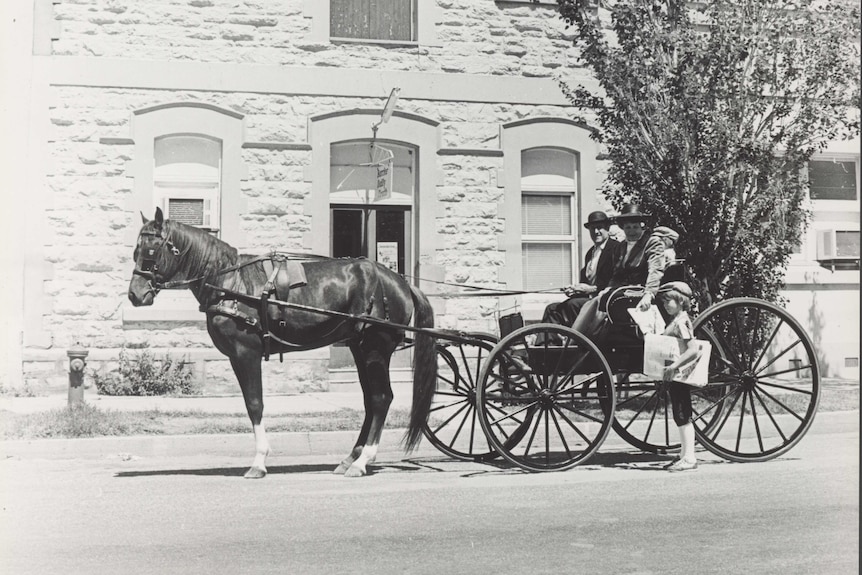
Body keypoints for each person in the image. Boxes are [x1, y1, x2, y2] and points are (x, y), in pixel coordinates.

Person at [572, 204, 675, 339]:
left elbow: (655, 270)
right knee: (598, 299)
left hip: (640, 290)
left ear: (641, 226)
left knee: (601, 301)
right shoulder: (622, 246)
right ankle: (581, 337)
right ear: (623, 228)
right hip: (623, 290)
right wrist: (608, 288)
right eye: (628, 227)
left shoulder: (651, 242)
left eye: (635, 227)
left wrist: (649, 294)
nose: (631, 231)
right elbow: (617, 273)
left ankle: (585, 338)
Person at [539, 211, 621, 333]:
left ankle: (578, 342)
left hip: (603, 301)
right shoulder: (590, 253)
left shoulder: (615, 249)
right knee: (552, 309)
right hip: (587, 300)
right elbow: (585, 283)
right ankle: (547, 347)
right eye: (593, 229)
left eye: (600, 228)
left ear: (607, 228)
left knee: (572, 305)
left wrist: (591, 289)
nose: (596, 232)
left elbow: (615, 281)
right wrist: (574, 289)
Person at [657, 281, 702, 472]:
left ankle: (690, 457)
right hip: (676, 375)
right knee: (680, 414)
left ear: (681, 301)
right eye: (665, 301)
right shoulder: (676, 321)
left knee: (683, 414)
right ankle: (684, 454)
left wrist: (675, 366)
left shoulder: (682, 322)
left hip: (680, 375)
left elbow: (693, 350)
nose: (666, 304)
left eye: (670, 301)